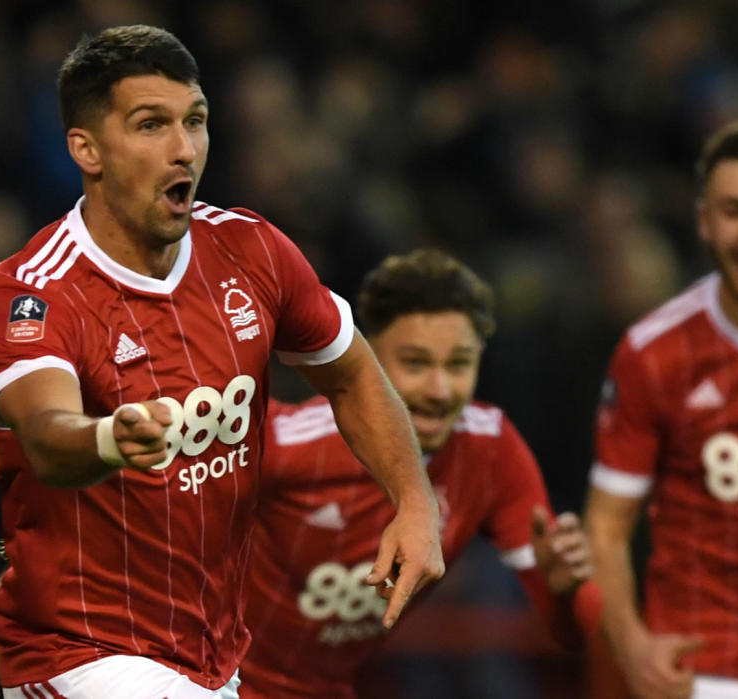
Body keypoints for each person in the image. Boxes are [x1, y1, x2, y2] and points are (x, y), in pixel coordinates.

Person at [0, 24, 443, 699]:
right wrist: (110, 437)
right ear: (87, 148)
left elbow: (353, 371)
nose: (183, 148)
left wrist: (414, 500)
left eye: (194, 121)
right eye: (150, 125)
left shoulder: (252, 252)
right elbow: (46, 433)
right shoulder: (34, 289)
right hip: (79, 654)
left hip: (214, 660)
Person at [238, 249, 603, 698]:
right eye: (415, 363)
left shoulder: (491, 452)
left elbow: (576, 633)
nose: (439, 390)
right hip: (218, 681)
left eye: (458, 364)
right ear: (366, 360)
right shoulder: (291, 444)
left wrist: (565, 590)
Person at [586, 117, 738, 699]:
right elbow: (605, 526)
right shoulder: (653, 355)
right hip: (708, 674)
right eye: (735, 211)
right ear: (705, 223)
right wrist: (631, 647)